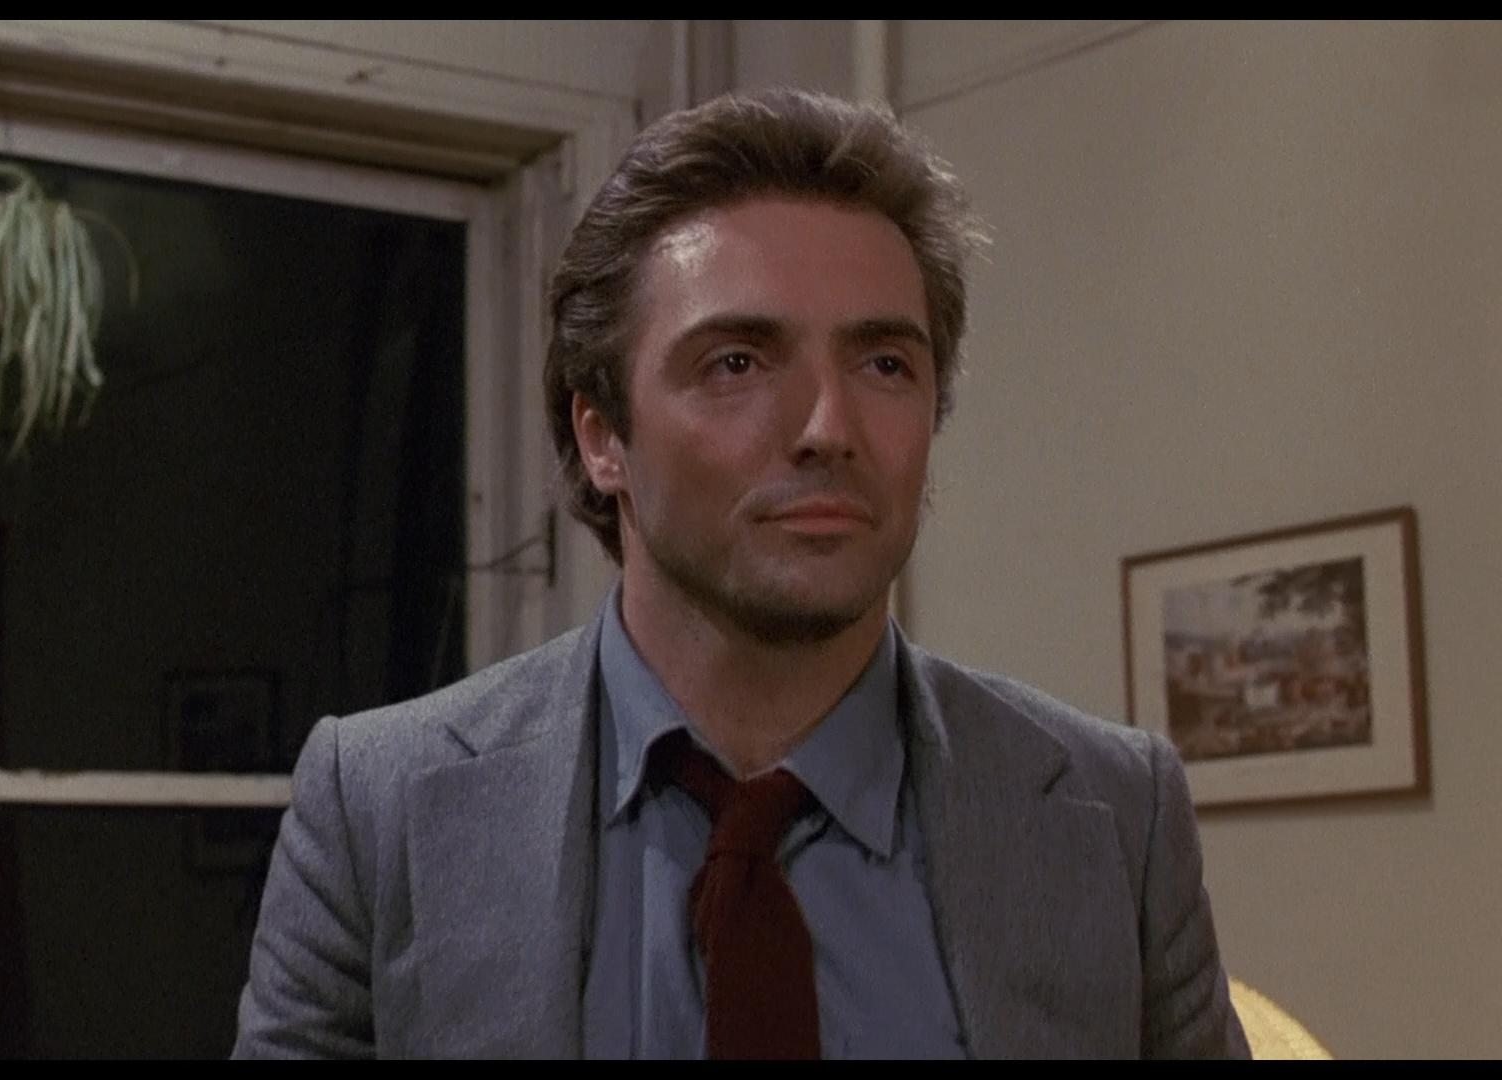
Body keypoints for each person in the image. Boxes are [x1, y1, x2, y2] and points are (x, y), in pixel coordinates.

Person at [231, 87, 1251, 1060]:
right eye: (737, 362)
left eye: (884, 364)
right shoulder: (382, 808)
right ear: (602, 436)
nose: (828, 428)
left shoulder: (1115, 814)